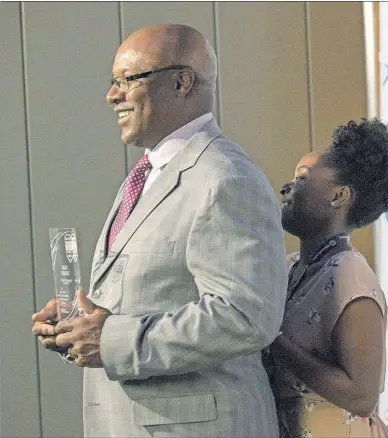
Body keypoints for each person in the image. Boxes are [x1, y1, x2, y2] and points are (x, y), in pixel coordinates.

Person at [32, 24, 287, 438]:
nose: (111, 95)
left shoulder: (225, 177)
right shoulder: (148, 173)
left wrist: (112, 339)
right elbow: (151, 293)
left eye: (126, 80)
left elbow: (246, 316)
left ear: (182, 82)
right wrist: (78, 327)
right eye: (112, 81)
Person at [265, 118, 388, 438]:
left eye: (302, 179)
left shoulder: (351, 275)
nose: (285, 187)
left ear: (339, 196)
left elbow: (362, 397)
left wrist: (273, 340)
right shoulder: (288, 266)